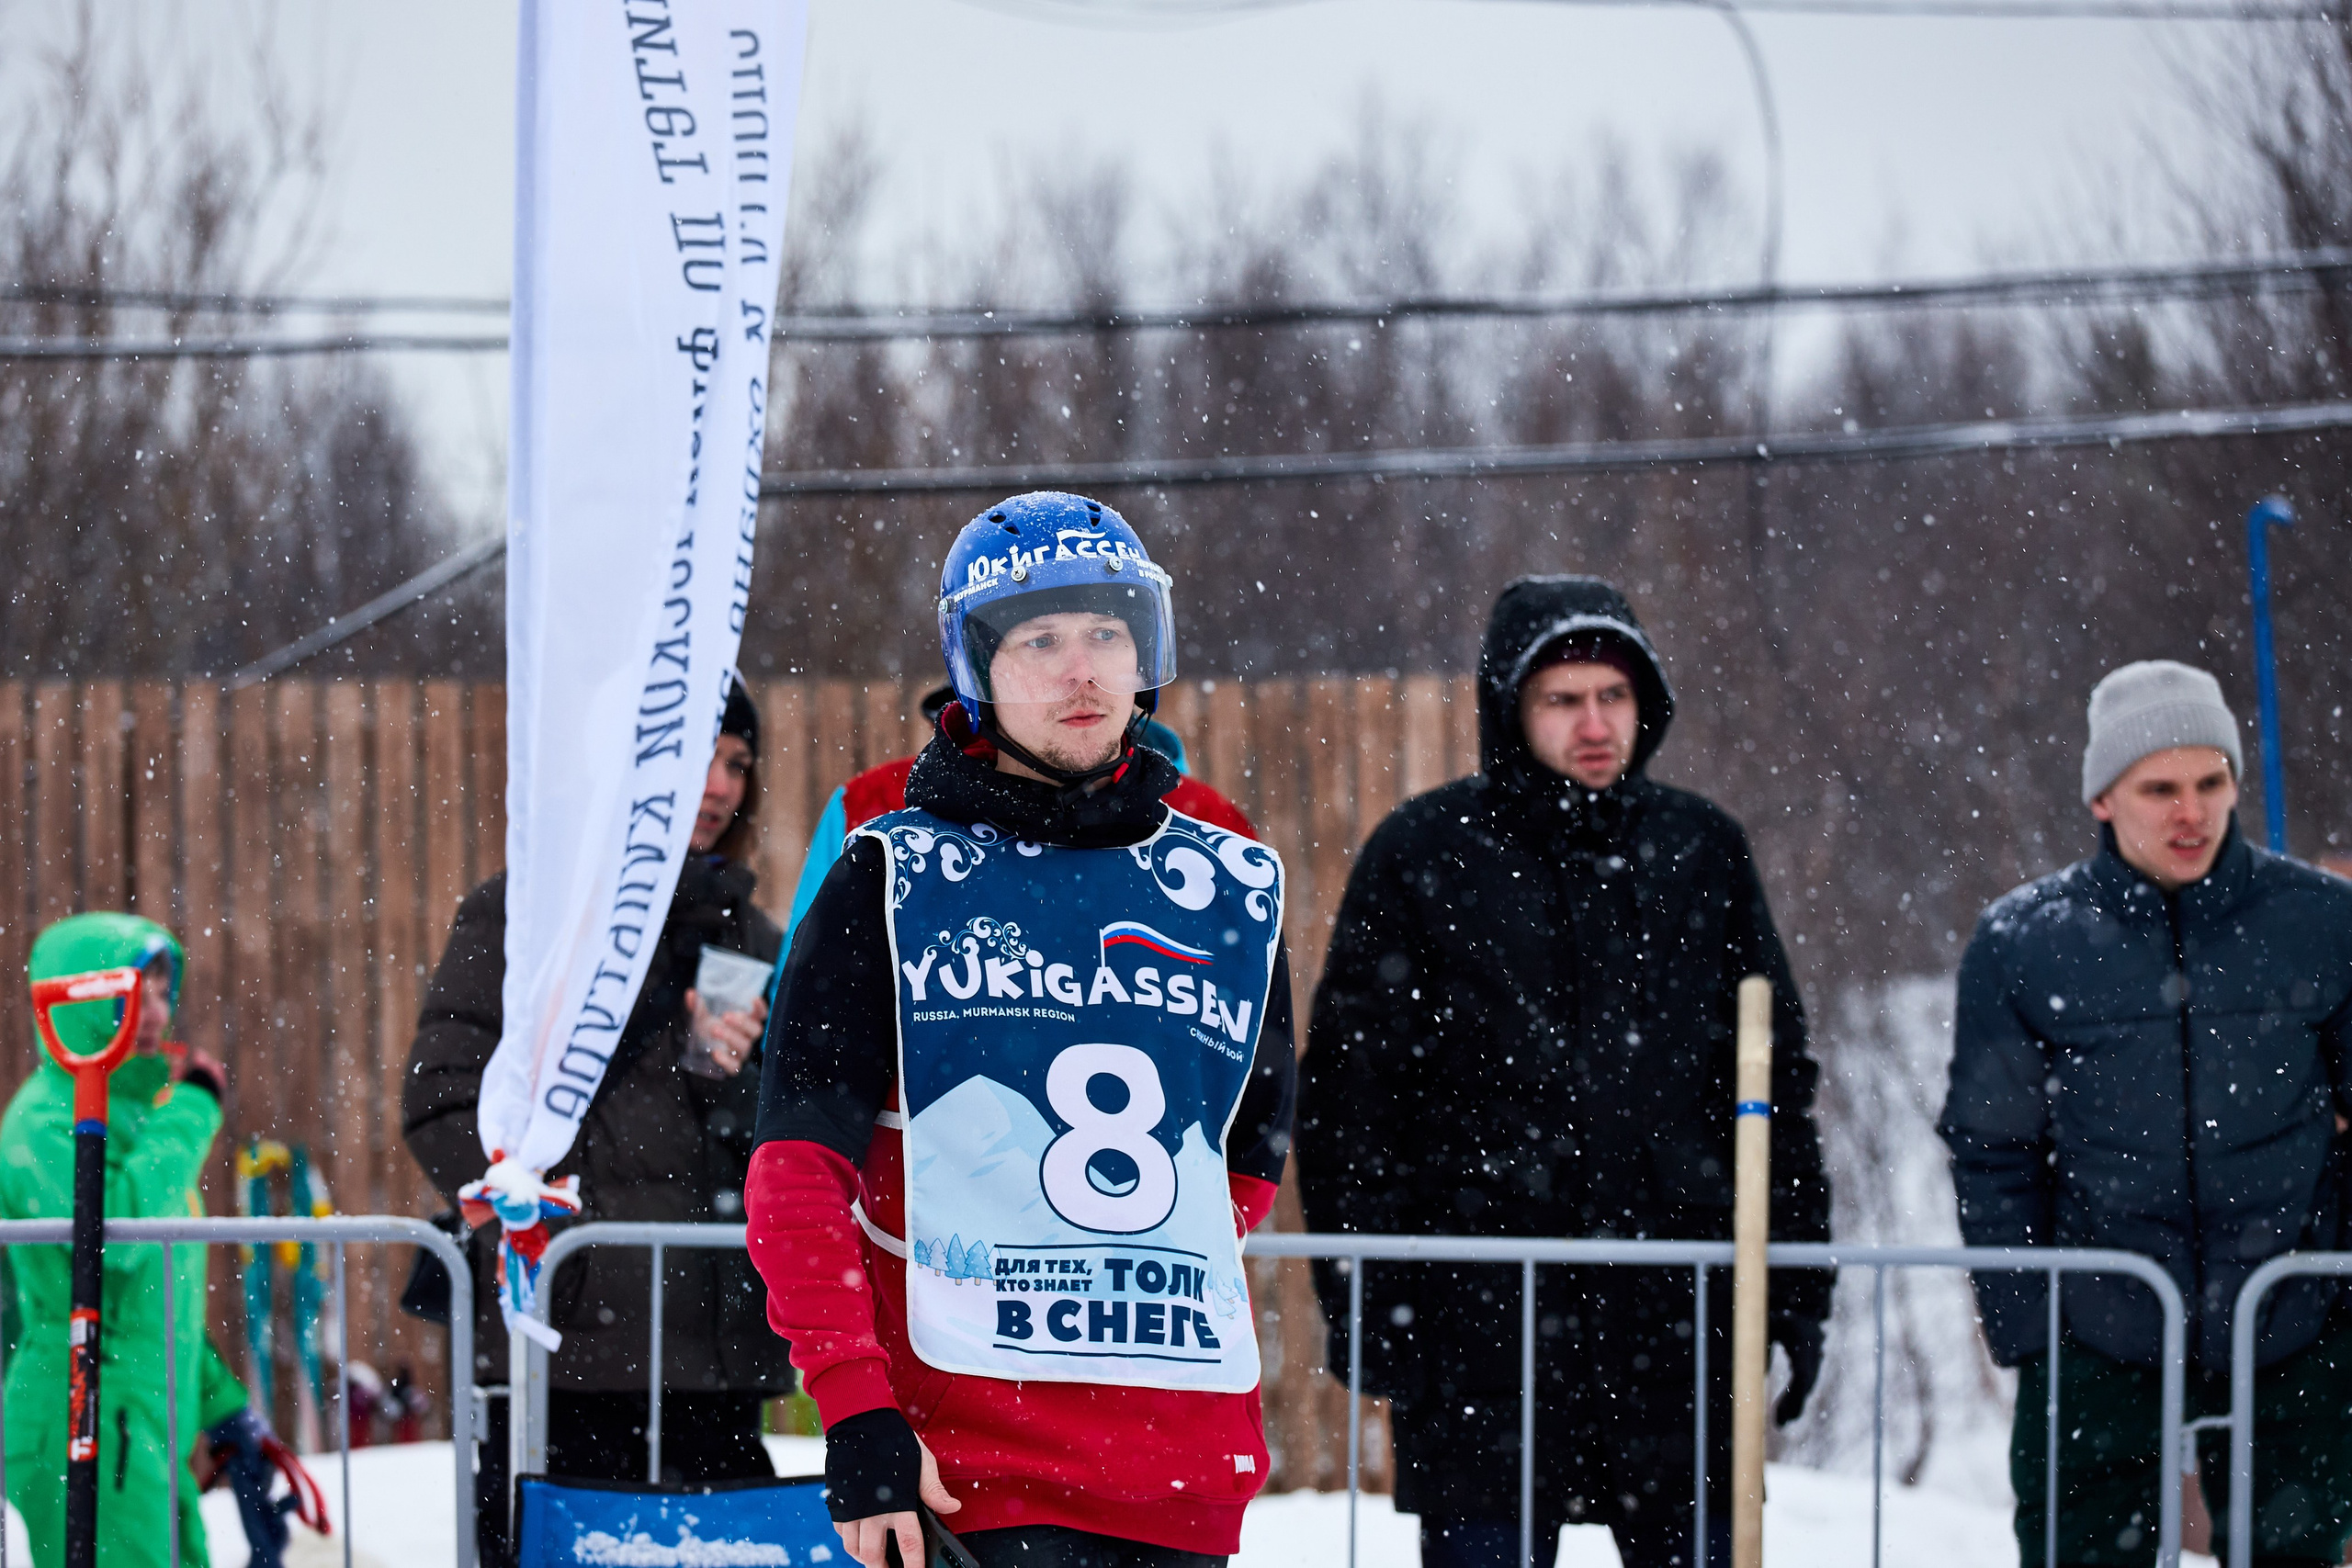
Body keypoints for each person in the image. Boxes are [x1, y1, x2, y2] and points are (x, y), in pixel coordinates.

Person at [747, 491, 1296, 1568]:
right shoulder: (889, 874)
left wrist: (1110, 1284)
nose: (1082, 668)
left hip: (1175, 1471)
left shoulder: (1229, 882)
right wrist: (856, 1411)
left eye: (1106, 631)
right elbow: (795, 1167)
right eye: (1041, 639)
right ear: (978, 669)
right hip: (962, 1478)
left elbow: (1247, 1149)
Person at [1295, 575, 1832, 1568]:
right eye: (1562, 698)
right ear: (1510, 709)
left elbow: (1772, 1088)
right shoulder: (1425, 855)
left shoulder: (1700, 851)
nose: (1594, 723)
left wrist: (1797, 1287)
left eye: (1613, 696)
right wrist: (1365, 1294)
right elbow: (1348, 1104)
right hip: (1479, 1335)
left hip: (1676, 1329)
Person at [1940, 660, 2352, 1568]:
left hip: (2291, 1318)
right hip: (2097, 1326)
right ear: (2101, 798)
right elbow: (1991, 1148)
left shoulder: (2323, 923)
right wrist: (2029, 1329)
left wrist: (2338, 1289)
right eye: (2158, 787)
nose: (2190, 812)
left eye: (2211, 782)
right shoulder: (2023, 943)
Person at [402, 676, 793, 1568]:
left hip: (712, 1368)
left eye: (737, 762)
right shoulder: (526, 918)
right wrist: (555, 1224)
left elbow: (786, 1142)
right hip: (558, 1356)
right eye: (699, 756)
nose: (721, 786)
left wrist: (728, 1077)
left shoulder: (752, 937)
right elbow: (441, 1101)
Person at [2, 913, 268, 1567]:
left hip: (147, 1424)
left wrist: (223, 1404)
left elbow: (157, 1295)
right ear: (82, 998)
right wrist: (192, 1112)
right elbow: (111, 1243)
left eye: (159, 991)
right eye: (131, 992)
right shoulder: (41, 1122)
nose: (154, 1011)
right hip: (82, 1416)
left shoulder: (141, 1117)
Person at [782, 688, 1255, 949]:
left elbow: (1250, 1034)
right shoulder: (867, 804)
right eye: (1039, 643)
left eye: (1102, 637)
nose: (1075, 680)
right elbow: (808, 997)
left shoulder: (1213, 824)